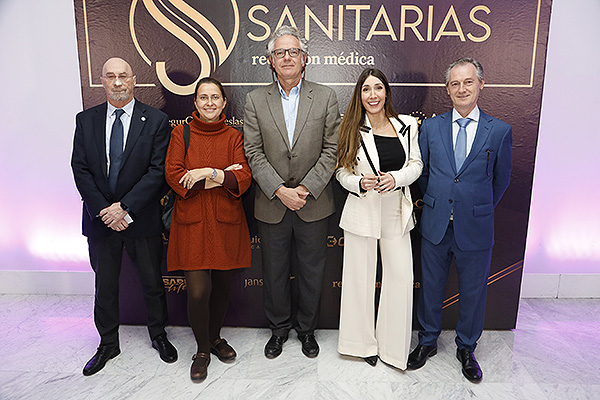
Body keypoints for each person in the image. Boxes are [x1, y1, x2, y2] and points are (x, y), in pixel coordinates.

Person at [71, 57, 177, 376]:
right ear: (102, 81)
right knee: (104, 285)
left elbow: (157, 172)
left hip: (140, 218)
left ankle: (159, 335)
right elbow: (81, 168)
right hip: (100, 219)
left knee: (152, 283)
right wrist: (105, 210)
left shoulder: (156, 120)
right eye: (110, 76)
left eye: (123, 76)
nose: (117, 82)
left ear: (134, 80)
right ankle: (107, 343)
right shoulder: (85, 120)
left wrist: (125, 207)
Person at [408, 58, 512, 382]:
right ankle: (427, 342)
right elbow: (422, 175)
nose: (462, 88)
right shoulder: (431, 127)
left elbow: (501, 180)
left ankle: (466, 347)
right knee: (430, 289)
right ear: (448, 89)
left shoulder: (499, 131)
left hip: (476, 225)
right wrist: (441, 202)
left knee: (473, 291)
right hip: (436, 223)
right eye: (455, 83)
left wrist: (475, 206)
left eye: (468, 82)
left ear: (481, 84)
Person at [243, 25, 341, 359]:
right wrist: (280, 190)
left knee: (313, 273)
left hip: (313, 203)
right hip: (272, 203)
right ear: (270, 60)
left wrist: (304, 189)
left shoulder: (326, 96)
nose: (287, 57)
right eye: (280, 52)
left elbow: (332, 151)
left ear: (305, 58)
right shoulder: (255, 100)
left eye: (293, 51)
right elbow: (252, 153)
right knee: (273, 272)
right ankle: (278, 330)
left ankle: (307, 330)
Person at [165, 77, 252, 383]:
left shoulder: (234, 136)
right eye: (204, 97)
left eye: (215, 97)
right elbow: (176, 177)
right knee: (199, 291)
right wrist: (221, 176)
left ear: (224, 102)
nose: (210, 102)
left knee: (223, 287)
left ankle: (215, 338)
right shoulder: (181, 133)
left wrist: (203, 172)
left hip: (226, 222)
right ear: (196, 103)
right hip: (192, 224)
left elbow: (243, 178)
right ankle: (202, 350)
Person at [335, 68, 422, 369]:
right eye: (366, 89)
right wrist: (358, 183)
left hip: (396, 209)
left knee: (400, 276)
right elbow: (341, 171)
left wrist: (396, 178)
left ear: (387, 92)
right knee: (359, 278)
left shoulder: (408, 125)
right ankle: (360, 345)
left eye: (378, 88)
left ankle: (392, 347)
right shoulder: (350, 127)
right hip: (363, 208)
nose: (372, 95)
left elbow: (416, 164)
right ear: (359, 95)